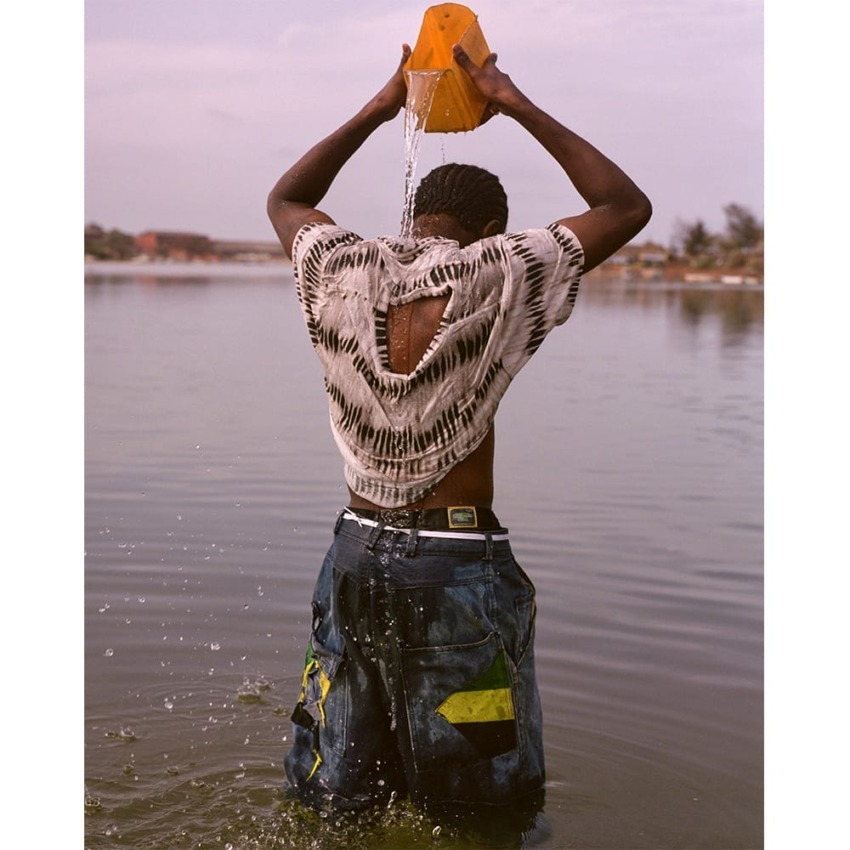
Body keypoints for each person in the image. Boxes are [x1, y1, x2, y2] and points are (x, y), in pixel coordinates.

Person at [267, 43, 651, 815]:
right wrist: (509, 100)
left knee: (336, 794)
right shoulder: (503, 268)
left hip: (352, 557)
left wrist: (382, 107)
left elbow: (285, 201)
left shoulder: (339, 265)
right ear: (491, 227)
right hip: (454, 573)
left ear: (414, 216)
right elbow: (624, 207)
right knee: (483, 803)